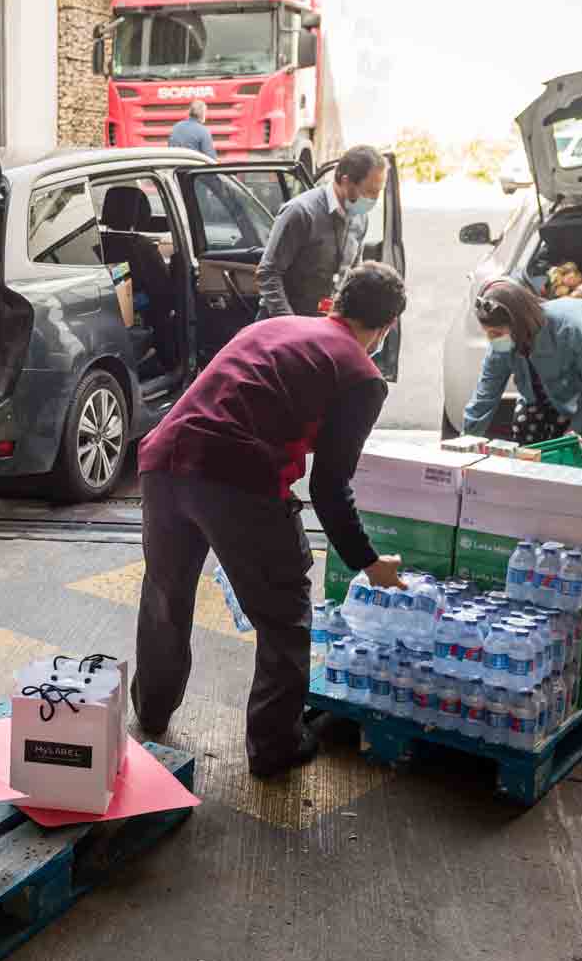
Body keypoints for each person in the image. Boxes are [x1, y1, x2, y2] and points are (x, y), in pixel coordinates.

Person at [132, 261, 409, 778]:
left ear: (335, 301)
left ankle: (150, 711)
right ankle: (274, 747)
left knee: (166, 596)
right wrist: (369, 562)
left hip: (163, 463)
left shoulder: (272, 327)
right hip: (236, 480)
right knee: (284, 615)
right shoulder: (361, 375)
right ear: (387, 327)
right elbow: (329, 487)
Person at [462, 279, 582, 468]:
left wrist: (576, 431)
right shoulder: (501, 342)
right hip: (552, 385)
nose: (492, 339)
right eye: (487, 333)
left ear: (519, 323)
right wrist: (464, 441)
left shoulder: (570, 329)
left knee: (574, 451)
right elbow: (486, 392)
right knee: (525, 433)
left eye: (496, 333)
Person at [256, 145, 385, 320]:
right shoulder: (301, 212)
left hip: (324, 325)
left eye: (378, 192)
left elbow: (352, 274)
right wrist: (290, 324)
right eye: (370, 192)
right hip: (283, 326)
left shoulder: (360, 218)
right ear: (346, 181)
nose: (374, 199)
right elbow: (268, 273)